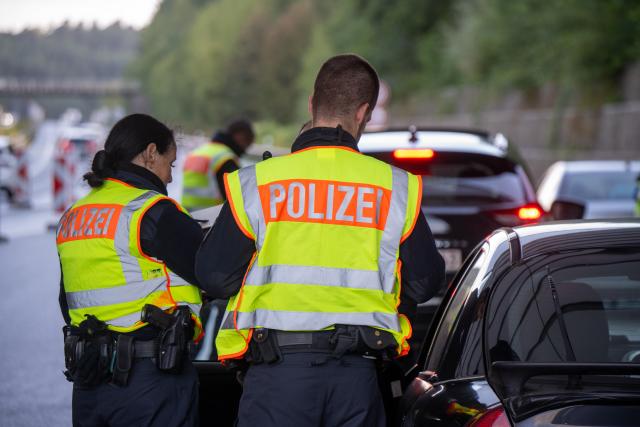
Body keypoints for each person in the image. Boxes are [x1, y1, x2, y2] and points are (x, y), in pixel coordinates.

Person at [196, 54, 445, 426]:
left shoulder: (259, 182)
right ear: (364, 113)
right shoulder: (394, 187)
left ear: (312, 105)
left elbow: (214, 276)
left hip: (275, 379)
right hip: (356, 382)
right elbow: (425, 283)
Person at [56, 114, 206, 427]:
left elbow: (66, 302)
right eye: (171, 164)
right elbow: (215, 271)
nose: (170, 178)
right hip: (149, 381)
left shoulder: (74, 215)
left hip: (90, 381)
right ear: (151, 153)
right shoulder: (150, 212)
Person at [181, 119, 255, 211]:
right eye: (247, 142)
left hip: (188, 215)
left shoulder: (197, 153)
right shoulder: (225, 158)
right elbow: (237, 196)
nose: (245, 149)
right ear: (239, 136)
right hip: (212, 216)